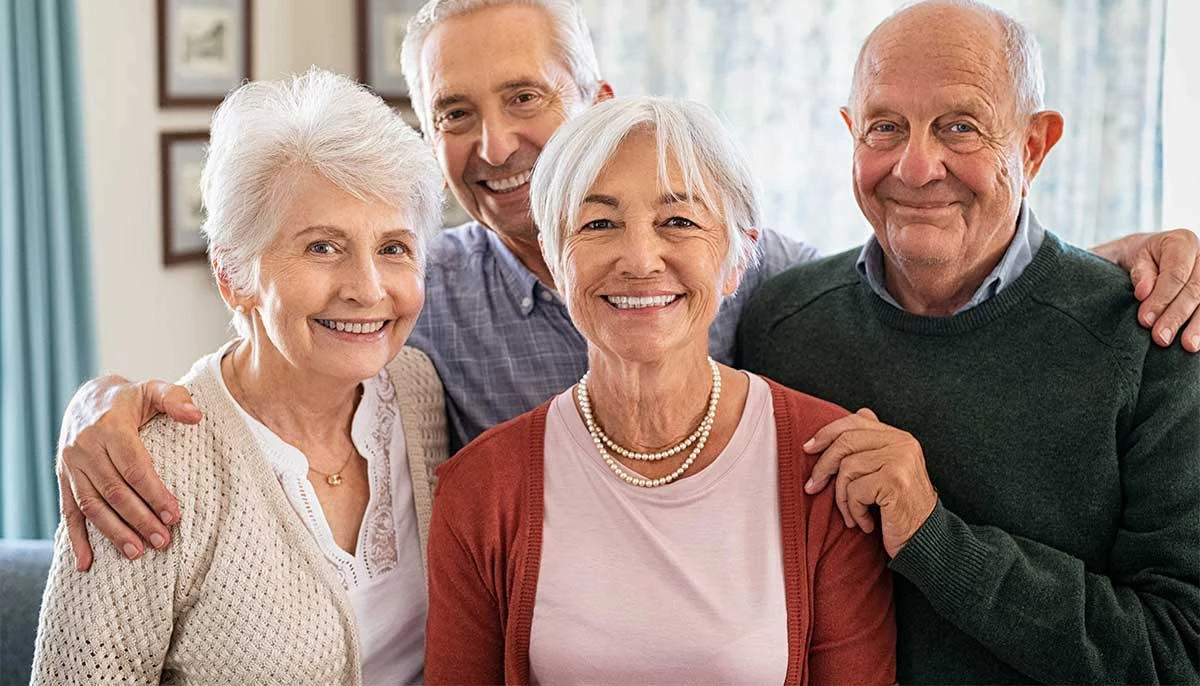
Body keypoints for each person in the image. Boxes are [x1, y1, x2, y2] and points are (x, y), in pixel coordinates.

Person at [53, 0, 1200, 569]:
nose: (498, 144)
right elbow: (250, 361)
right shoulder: (410, 293)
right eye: (457, 112)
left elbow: (916, 257)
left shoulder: (749, 280)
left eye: (526, 99)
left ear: (592, 100)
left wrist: (1119, 260)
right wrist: (97, 401)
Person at [737, 2, 1200, 683]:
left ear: (1034, 146)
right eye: (885, 127)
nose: (917, 166)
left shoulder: (1151, 338)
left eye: (960, 126)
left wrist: (933, 536)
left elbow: (1178, 653)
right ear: (849, 134)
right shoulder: (780, 323)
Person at [424, 96, 896, 684]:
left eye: (679, 221)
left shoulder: (824, 467)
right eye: (598, 224)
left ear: (738, 256)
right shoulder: (479, 490)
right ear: (553, 255)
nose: (641, 259)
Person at [31, 69, 446, 685]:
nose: (368, 288)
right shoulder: (146, 470)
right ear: (233, 275)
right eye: (322, 247)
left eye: (393, 248)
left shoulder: (417, 390)